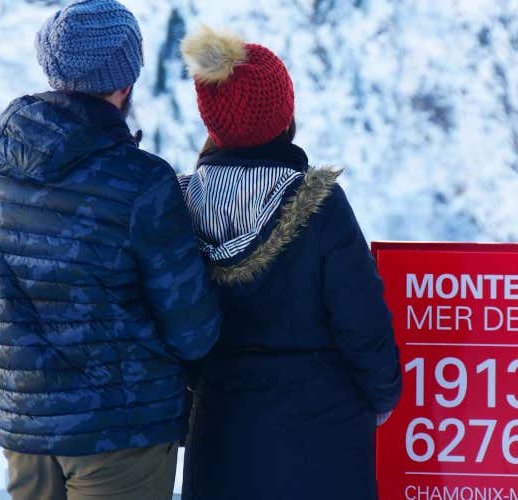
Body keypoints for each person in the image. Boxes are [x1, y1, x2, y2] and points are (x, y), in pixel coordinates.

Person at [0, 2, 221, 499]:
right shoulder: (141, 182)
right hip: (119, 431)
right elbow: (193, 331)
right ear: (125, 80)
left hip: (25, 429)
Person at [178, 26, 403, 500]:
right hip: (326, 444)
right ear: (284, 114)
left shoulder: (179, 206)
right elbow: (363, 323)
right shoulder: (320, 207)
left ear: (212, 119)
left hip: (222, 435)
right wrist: (383, 396)